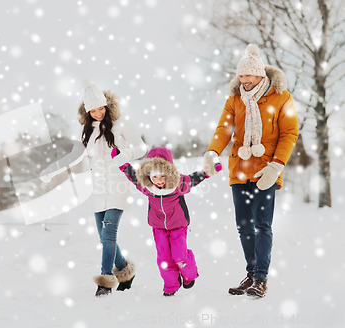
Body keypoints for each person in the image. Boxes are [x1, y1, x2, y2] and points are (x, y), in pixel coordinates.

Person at [203, 44, 299, 298]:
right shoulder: (235, 99)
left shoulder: (281, 96)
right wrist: (212, 152)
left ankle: (260, 279)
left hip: (267, 170)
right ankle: (251, 273)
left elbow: (289, 133)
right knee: (244, 226)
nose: (243, 80)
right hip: (240, 169)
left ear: (260, 75)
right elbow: (224, 129)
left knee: (262, 225)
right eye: (241, 76)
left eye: (248, 76)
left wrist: (277, 165)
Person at [43, 79, 147, 297]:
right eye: (93, 110)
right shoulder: (88, 130)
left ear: (106, 105)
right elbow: (73, 156)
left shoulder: (121, 123)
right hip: (98, 189)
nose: (98, 113)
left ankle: (105, 281)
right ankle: (126, 271)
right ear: (87, 111)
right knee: (104, 237)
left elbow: (140, 147)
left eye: (101, 108)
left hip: (118, 186)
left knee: (109, 234)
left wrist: (123, 156)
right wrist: (51, 170)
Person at [114, 146, 220, 296]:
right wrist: (121, 162)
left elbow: (194, 178)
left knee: (179, 256)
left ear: (169, 173)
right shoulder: (147, 187)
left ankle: (189, 275)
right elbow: (132, 175)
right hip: (158, 227)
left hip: (178, 226)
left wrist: (209, 171)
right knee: (164, 258)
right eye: (154, 177)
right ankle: (171, 285)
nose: (158, 181)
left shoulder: (178, 184)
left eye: (162, 176)